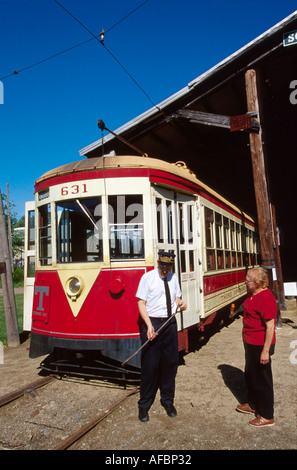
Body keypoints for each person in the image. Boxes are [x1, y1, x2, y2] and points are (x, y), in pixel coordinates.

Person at [136, 251, 187, 422]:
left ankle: (167, 401)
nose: (164, 270)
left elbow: (177, 296)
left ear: (171, 266)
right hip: (153, 324)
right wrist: (149, 325)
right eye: (162, 266)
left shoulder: (173, 278)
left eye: (168, 267)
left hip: (170, 324)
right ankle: (144, 405)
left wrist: (180, 303)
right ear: (158, 263)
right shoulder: (147, 278)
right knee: (150, 367)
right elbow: (141, 303)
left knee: (170, 365)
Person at [236, 267, 277, 427]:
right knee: (251, 375)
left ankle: (267, 415)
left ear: (258, 283)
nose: (246, 281)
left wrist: (265, 351)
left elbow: (270, 326)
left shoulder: (266, 298)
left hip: (261, 345)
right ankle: (253, 405)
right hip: (251, 343)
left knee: (262, 380)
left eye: (249, 279)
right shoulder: (254, 295)